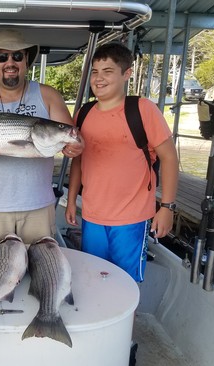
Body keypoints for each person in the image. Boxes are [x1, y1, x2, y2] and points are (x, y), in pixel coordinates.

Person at [65, 42, 179, 282]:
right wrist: (71, 200)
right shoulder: (83, 113)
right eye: (95, 72)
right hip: (92, 215)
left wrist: (167, 207)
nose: (99, 79)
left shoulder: (142, 109)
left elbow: (169, 158)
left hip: (132, 218)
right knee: (93, 278)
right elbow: (78, 160)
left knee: (127, 283)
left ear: (126, 74)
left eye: (108, 71)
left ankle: (127, 321)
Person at [0, 29, 84, 244]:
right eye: (3, 57)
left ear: (27, 60)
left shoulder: (48, 95)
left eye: (18, 56)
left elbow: (71, 134)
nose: (10, 62)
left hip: (38, 207)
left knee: (41, 271)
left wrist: (76, 145)